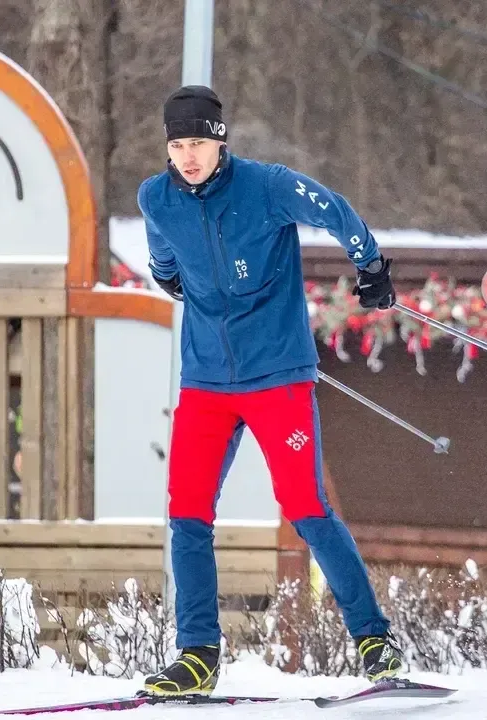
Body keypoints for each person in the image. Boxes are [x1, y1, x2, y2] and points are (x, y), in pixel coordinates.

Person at [136, 85, 403, 697]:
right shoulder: (156, 197)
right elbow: (164, 266)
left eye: (198, 142)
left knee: (306, 506)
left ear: (219, 139)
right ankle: (197, 654)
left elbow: (335, 209)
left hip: (278, 376)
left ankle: (373, 639)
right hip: (206, 380)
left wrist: (371, 267)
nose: (188, 157)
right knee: (187, 512)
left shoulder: (267, 187)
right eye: (177, 145)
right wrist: (177, 280)